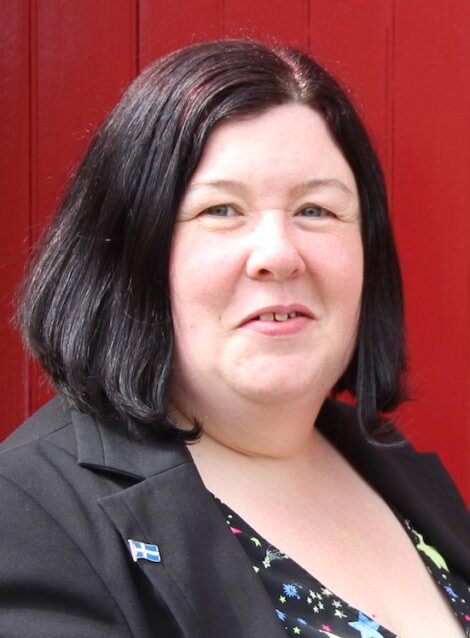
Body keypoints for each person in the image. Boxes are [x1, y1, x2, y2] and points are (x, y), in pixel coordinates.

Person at [0, 39, 468, 638]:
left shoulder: (388, 462)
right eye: (220, 210)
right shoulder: (30, 517)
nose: (278, 254)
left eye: (316, 210)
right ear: (128, 249)